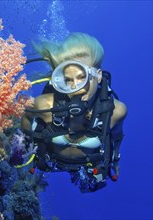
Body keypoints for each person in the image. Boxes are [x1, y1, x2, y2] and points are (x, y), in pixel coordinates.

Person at [21, 32, 127, 192]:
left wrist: (115, 160)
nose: (75, 87)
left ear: (98, 76)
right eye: (68, 80)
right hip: (51, 160)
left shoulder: (115, 111)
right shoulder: (44, 105)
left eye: (82, 77)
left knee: (90, 184)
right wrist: (24, 148)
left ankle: (80, 177)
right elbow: (26, 122)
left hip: (88, 163)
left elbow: (116, 136)